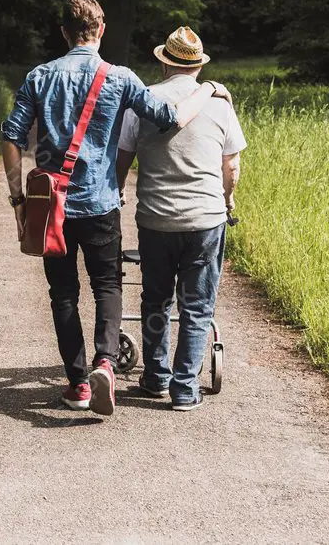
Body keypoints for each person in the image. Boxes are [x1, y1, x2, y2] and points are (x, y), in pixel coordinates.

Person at [0, 0, 230, 416]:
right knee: (108, 285)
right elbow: (171, 117)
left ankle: (78, 385)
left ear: (64, 32)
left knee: (63, 294)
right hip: (101, 205)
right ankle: (105, 361)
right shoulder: (120, 78)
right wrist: (210, 89)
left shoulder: (40, 76)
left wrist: (18, 201)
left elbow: (13, 138)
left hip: (50, 207)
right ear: (101, 30)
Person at [116, 26, 246, 411]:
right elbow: (232, 165)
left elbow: (123, 156)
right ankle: (185, 390)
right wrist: (228, 198)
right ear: (199, 66)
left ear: (163, 63)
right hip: (205, 220)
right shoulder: (219, 103)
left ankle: (155, 378)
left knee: (156, 299)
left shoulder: (143, 101)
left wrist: (120, 190)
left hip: (155, 219)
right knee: (197, 304)